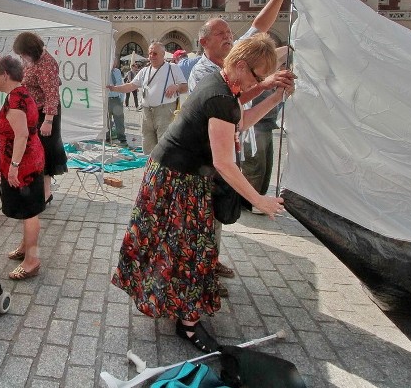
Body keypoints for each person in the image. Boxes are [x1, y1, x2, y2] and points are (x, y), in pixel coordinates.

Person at [111, 34, 290, 353]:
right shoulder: (220, 96)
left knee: (183, 247)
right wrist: (259, 200)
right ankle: (188, 324)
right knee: (187, 249)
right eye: (257, 75)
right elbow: (224, 161)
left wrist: (270, 94)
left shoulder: (222, 83)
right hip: (178, 179)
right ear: (239, 65)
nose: (259, 81)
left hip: (178, 176)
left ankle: (177, 308)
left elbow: (240, 120)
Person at [187, 0, 301, 292]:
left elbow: (258, 27)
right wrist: (260, 200)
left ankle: (210, 260)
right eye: (222, 34)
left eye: (229, 34)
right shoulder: (204, 74)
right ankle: (203, 271)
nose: (230, 37)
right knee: (206, 215)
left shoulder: (237, 58)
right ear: (204, 42)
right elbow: (232, 112)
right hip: (206, 157)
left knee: (219, 212)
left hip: (230, 144)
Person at [0, 55, 46, 280]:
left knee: (29, 211)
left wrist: (13, 167)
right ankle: (25, 247)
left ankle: (32, 260)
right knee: (27, 209)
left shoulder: (15, 100)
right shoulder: (20, 94)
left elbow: (21, 135)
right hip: (28, 159)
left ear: (6, 75)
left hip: (24, 165)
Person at [12, 32, 68, 205]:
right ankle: (38, 191)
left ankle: (45, 193)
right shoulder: (32, 61)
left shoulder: (47, 63)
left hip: (45, 114)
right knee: (34, 153)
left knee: (44, 153)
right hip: (34, 112)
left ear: (31, 49)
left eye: (22, 53)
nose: (21, 57)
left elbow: (52, 95)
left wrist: (48, 120)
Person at [107, 41, 187, 154]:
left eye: (155, 53)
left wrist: (176, 87)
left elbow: (185, 87)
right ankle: (149, 167)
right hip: (146, 112)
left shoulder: (172, 68)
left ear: (163, 54)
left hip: (164, 111)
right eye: (150, 53)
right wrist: (113, 88)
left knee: (164, 144)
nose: (151, 56)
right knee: (147, 142)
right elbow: (130, 86)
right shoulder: (145, 71)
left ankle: (163, 169)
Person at [240, 91, 281, 210]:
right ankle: (248, 203)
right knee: (255, 165)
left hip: (267, 121)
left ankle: (258, 199)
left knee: (265, 167)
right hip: (254, 123)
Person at [108, 58, 129, 147]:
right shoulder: (104, 72)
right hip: (107, 99)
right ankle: (107, 138)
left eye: (114, 60)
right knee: (106, 121)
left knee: (119, 120)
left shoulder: (117, 71)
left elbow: (121, 84)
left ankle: (122, 138)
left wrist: (121, 98)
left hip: (117, 99)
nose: (114, 63)